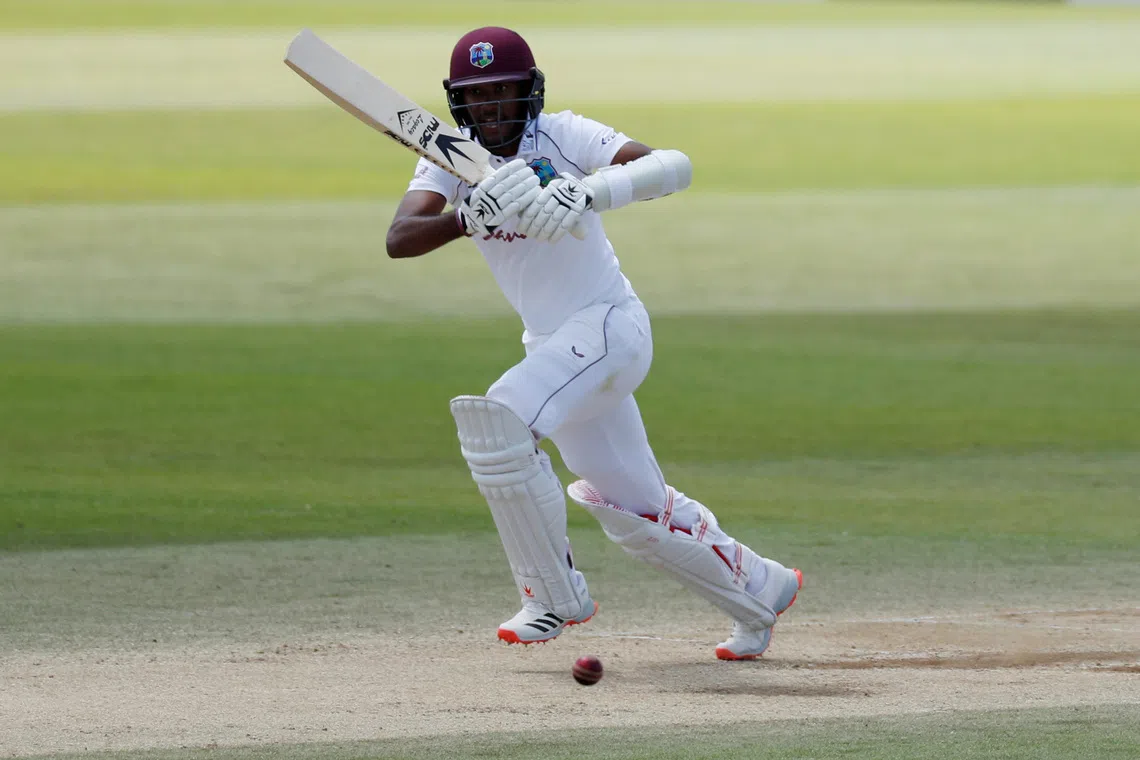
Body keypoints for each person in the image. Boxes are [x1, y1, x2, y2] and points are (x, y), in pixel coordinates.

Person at [385, 27, 802, 660]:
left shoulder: (566, 134)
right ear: (458, 103)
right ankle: (759, 590)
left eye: (505, 92)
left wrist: (584, 190)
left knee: (500, 419)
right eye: (479, 96)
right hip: (555, 349)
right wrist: (468, 218)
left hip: (610, 327)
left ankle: (553, 595)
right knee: (638, 509)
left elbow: (673, 168)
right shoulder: (448, 158)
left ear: (531, 92)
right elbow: (400, 237)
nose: (493, 108)